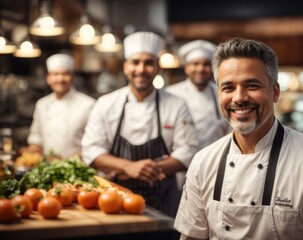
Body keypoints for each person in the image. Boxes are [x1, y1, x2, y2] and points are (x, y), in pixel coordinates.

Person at [174, 37, 303, 239]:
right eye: (228, 88)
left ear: (275, 92)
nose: (239, 98)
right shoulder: (203, 163)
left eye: (252, 85)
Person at [81, 31, 198, 217]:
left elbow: (189, 151)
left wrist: (143, 169)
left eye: (149, 63)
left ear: (158, 67)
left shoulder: (177, 104)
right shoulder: (106, 103)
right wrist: (127, 167)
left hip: (165, 200)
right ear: (125, 66)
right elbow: (91, 150)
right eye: (135, 62)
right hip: (114, 200)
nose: (141, 69)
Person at [166, 39, 231, 190]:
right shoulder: (170, 94)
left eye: (206, 64)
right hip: (177, 169)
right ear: (186, 67)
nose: (200, 69)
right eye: (195, 64)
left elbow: (231, 132)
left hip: (214, 166)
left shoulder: (223, 93)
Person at [25, 53, 95, 159]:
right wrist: (31, 154)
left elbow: (94, 142)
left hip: (78, 168)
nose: (60, 79)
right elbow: (36, 138)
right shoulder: (42, 104)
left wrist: (68, 162)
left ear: (73, 78)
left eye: (65, 74)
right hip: (47, 169)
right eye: (55, 74)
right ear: (48, 78)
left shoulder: (88, 104)